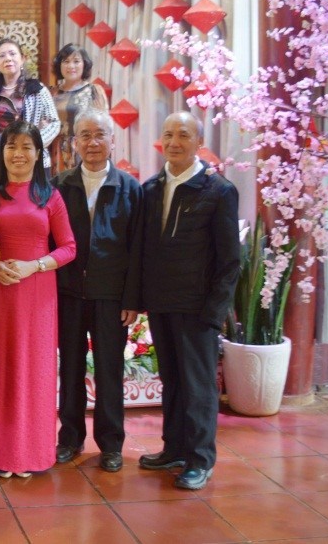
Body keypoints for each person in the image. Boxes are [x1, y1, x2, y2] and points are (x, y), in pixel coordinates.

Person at [138, 111, 240, 491]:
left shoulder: (218, 191)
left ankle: (200, 459)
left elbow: (230, 261)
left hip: (198, 308)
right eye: (168, 134)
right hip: (162, 303)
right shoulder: (150, 189)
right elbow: (143, 250)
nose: (175, 142)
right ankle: (174, 449)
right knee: (173, 381)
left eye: (183, 135)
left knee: (198, 387)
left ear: (199, 142)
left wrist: (215, 313)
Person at [0, 121, 76, 477]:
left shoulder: (50, 196)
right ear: (2, 153)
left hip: (37, 295)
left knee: (34, 371)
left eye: (26, 147)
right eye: (11, 146)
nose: (18, 154)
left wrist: (35, 265)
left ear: (37, 153)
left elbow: (69, 247)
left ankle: (30, 453)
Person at [53, 110, 142, 473]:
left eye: (99, 135)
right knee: (71, 369)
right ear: (74, 143)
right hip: (70, 293)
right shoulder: (60, 185)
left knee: (109, 370)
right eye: (84, 135)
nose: (92, 143)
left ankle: (110, 444)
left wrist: (133, 299)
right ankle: (70, 438)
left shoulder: (129, 188)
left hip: (111, 297)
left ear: (112, 141)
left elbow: (138, 249)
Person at [0, 38, 60, 176]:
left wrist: (33, 143)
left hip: (34, 159)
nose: (8, 59)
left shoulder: (37, 89)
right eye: (1, 55)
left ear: (22, 59)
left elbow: (54, 122)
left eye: (12, 54)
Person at [51, 44, 109, 175]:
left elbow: (104, 126)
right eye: (66, 61)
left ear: (84, 64)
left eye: (76, 61)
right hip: (57, 152)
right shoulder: (51, 93)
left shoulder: (94, 91)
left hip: (86, 148)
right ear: (59, 65)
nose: (71, 66)